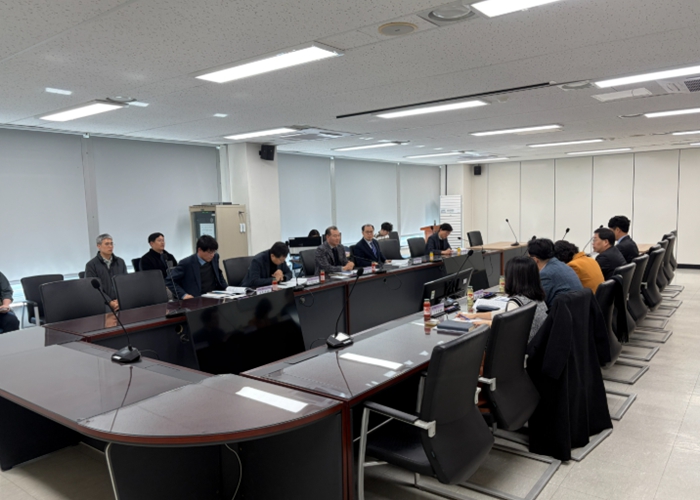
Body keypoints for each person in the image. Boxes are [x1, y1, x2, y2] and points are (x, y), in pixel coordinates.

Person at [459, 256, 548, 342]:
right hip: (536, 346)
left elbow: (504, 328)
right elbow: (504, 313)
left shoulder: (516, 302)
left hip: (523, 348)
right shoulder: (537, 297)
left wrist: (484, 323)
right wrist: (475, 316)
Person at [528, 238, 583, 309]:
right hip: (577, 311)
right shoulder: (562, 264)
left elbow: (539, 303)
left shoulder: (545, 274)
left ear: (535, 260)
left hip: (563, 313)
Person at [85, 233, 127, 311]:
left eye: (111, 243)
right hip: (103, 303)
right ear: (99, 246)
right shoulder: (91, 265)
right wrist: (109, 302)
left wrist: (120, 300)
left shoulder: (120, 262)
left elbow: (125, 282)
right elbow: (93, 289)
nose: (110, 246)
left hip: (121, 300)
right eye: (107, 244)